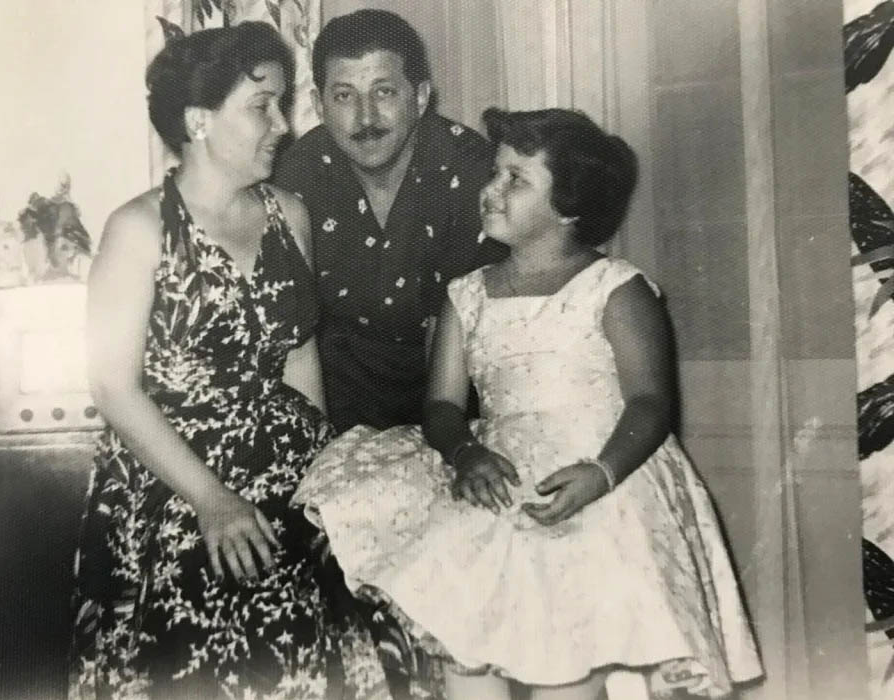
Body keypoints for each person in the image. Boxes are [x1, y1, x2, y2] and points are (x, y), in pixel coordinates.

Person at [293, 108, 764, 700]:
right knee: (471, 638)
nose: (490, 189)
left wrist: (602, 473)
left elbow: (649, 403)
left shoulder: (615, 288)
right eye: (495, 173)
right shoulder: (467, 295)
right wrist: (464, 452)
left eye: (516, 179)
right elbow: (440, 404)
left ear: (568, 207)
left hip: (601, 483)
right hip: (501, 480)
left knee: (571, 652)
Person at [69, 22, 390, 699]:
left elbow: (298, 353)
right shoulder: (138, 230)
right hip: (176, 478)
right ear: (198, 121)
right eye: (261, 106)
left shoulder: (288, 214)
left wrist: (322, 477)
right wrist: (212, 500)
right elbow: (112, 385)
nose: (283, 124)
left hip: (284, 468)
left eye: (281, 103)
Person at [274, 9, 506, 436]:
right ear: (317, 105)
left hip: (458, 402)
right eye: (344, 96)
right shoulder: (294, 180)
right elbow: (291, 340)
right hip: (336, 403)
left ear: (419, 98)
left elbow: (467, 328)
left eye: (383, 92)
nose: (365, 118)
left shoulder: (473, 173)